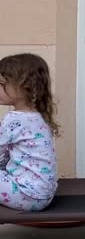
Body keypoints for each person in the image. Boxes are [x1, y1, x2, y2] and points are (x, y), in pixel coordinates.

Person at [0, 53, 60, 212]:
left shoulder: (13, 120)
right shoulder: (38, 116)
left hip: (25, 195)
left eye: (1, 84)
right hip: (44, 195)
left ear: (24, 87)